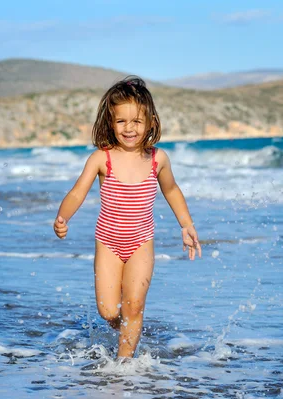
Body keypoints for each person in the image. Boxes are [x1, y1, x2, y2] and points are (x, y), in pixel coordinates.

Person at [53, 76, 202, 359]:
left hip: (141, 243)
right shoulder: (101, 158)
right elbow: (77, 192)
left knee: (134, 305)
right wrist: (63, 217)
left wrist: (186, 224)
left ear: (150, 122)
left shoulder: (158, 159)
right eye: (121, 121)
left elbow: (171, 190)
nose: (129, 128)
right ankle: (127, 329)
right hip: (108, 243)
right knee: (109, 310)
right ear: (110, 123)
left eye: (136, 121)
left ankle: (124, 367)